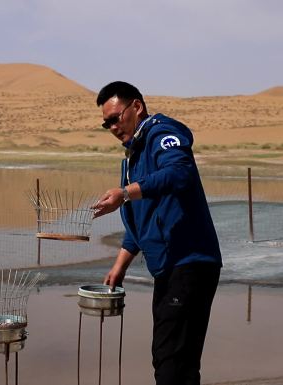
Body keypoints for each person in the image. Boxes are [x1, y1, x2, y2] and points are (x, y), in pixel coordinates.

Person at [91, 81, 222, 385]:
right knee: (176, 359)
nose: (112, 127)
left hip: (189, 261)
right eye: (106, 123)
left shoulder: (162, 133)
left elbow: (179, 173)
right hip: (170, 265)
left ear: (136, 107)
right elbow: (143, 219)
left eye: (115, 118)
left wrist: (124, 192)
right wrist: (119, 266)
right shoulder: (134, 157)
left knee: (171, 360)